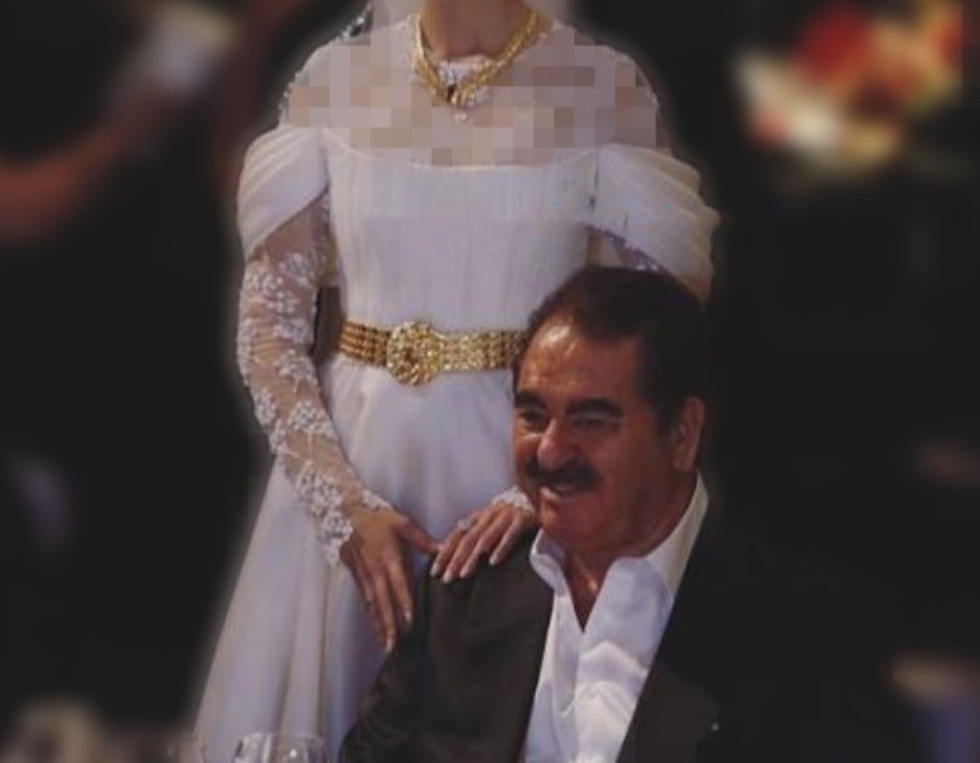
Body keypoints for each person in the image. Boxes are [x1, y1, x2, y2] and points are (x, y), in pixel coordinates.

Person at [196, 0, 717, 760]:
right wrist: (342, 507)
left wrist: (535, 495)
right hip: (349, 482)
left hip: (521, 483)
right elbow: (268, 327)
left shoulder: (602, 91)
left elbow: (648, 331)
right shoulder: (332, 82)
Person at [342, 266, 923, 762]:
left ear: (681, 434)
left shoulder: (804, 635)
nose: (550, 451)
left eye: (591, 421)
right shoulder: (465, 592)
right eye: (533, 415)